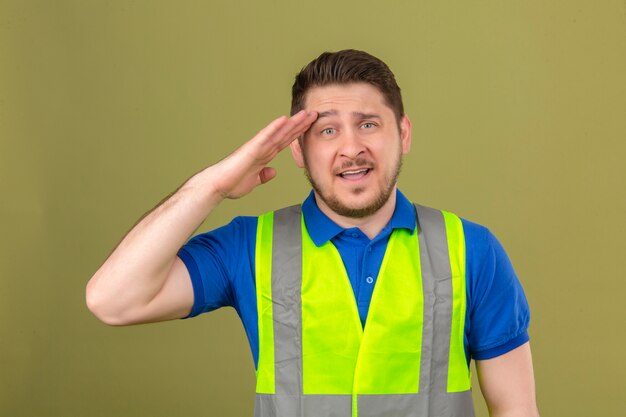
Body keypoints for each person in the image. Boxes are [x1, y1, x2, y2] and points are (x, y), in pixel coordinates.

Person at [86, 49, 539, 417]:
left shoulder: (473, 250)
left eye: (368, 123)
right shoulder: (248, 247)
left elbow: (516, 408)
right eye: (326, 130)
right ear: (298, 152)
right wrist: (213, 186)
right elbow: (112, 300)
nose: (351, 147)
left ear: (402, 133)